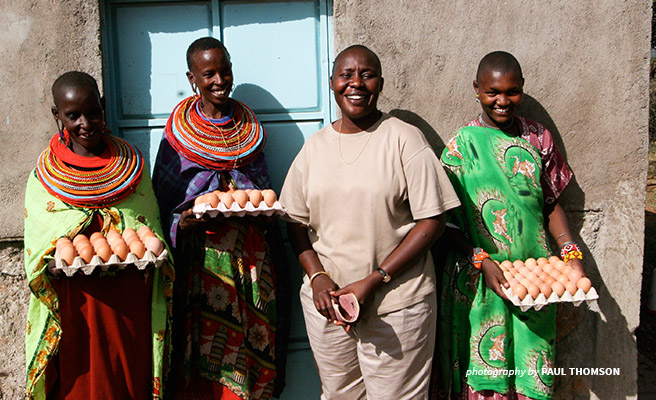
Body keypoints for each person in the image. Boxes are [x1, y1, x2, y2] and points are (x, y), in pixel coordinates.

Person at [279, 45, 461, 400]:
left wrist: (376, 279)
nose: (356, 83)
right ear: (332, 83)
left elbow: (432, 221)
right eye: (346, 75)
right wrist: (317, 278)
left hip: (396, 306)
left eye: (367, 74)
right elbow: (295, 223)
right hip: (328, 309)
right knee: (340, 395)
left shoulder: (404, 139)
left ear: (380, 83)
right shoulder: (314, 149)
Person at [436, 51, 584, 400]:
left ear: (521, 89)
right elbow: (447, 222)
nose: (503, 101)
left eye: (512, 92)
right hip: (478, 282)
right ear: (477, 90)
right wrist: (480, 260)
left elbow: (551, 203)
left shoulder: (538, 138)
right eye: (493, 92)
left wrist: (569, 251)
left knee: (533, 369)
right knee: (486, 375)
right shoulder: (461, 147)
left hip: (536, 281)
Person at [152, 37, 290, 400]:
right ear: (192, 77)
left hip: (253, 261)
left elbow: (261, 191)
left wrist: (259, 211)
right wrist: (184, 222)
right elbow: (166, 204)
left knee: (256, 340)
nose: (219, 80)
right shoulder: (177, 138)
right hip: (204, 267)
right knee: (207, 349)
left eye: (224, 70)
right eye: (208, 73)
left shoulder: (249, 131)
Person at [23, 71, 174, 399]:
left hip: (128, 296)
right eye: (72, 115)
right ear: (57, 115)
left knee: (129, 376)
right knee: (84, 381)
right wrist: (57, 259)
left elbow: (149, 228)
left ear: (103, 107)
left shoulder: (132, 167)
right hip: (78, 303)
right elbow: (38, 246)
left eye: (92, 112)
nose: (85, 123)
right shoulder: (44, 176)